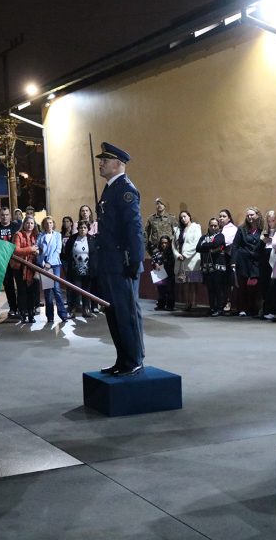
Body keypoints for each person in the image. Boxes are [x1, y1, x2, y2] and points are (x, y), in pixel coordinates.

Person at [94, 142, 146, 377]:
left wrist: (134, 261)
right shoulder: (110, 188)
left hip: (123, 264)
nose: (101, 163)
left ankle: (134, 359)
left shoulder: (125, 189)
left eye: (105, 160)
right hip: (109, 263)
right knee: (114, 314)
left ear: (117, 164)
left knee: (127, 313)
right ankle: (122, 358)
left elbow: (134, 228)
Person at [231, 207, 265, 317]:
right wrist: (233, 261)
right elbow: (235, 246)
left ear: (257, 215)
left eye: (252, 215)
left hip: (256, 261)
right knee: (242, 286)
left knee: (254, 286)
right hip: (243, 261)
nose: (249, 217)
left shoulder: (262, 230)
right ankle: (242, 309)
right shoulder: (242, 229)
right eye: (248, 215)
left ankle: (253, 308)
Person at [37, 216, 70, 323]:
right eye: (46, 223)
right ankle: (50, 316)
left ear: (53, 224)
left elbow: (58, 250)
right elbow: (37, 250)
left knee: (56, 288)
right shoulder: (40, 236)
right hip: (44, 265)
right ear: (43, 225)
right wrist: (42, 262)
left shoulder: (57, 235)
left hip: (55, 264)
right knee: (48, 291)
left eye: (50, 223)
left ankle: (63, 314)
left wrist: (49, 262)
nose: (49, 225)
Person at [64, 220, 96, 317]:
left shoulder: (91, 239)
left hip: (87, 269)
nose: (82, 229)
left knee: (86, 290)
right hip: (75, 269)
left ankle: (86, 309)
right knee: (76, 289)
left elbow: (94, 255)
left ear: (88, 229)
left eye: (85, 228)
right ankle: (73, 309)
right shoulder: (73, 239)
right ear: (77, 229)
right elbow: (67, 252)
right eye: (81, 227)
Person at [12, 216, 40, 324]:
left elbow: (40, 249)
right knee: (22, 291)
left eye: (32, 223)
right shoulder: (18, 235)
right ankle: (23, 313)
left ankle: (31, 313)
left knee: (32, 292)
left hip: (32, 267)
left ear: (34, 225)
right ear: (23, 224)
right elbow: (16, 250)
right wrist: (31, 249)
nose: (29, 225)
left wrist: (37, 251)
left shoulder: (36, 235)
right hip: (19, 267)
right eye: (27, 223)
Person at [196, 218, 227, 316]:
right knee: (210, 288)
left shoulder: (220, 236)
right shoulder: (204, 237)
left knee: (218, 288)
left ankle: (219, 308)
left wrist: (205, 246)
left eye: (215, 226)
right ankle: (212, 307)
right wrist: (210, 248)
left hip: (217, 266)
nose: (213, 227)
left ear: (218, 226)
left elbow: (217, 243)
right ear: (208, 226)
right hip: (207, 267)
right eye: (211, 225)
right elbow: (198, 248)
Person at [173, 210, 202, 311]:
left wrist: (186, 254)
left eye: (185, 216)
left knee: (193, 282)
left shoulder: (196, 227)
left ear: (189, 216)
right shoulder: (178, 230)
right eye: (181, 217)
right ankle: (186, 303)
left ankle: (193, 303)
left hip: (192, 259)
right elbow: (174, 245)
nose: (183, 219)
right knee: (184, 282)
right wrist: (177, 255)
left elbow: (196, 243)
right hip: (181, 260)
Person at [260, 210, 276, 319]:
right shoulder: (264, 232)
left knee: (274, 285)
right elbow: (260, 245)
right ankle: (266, 310)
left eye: (273, 220)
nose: (271, 223)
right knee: (265, 285)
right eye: (269, 221)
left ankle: (274, 310)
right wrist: (264, 239)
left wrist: (272, 240)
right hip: (265, 259)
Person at [218, 209, 237, 314]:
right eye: (220, 216)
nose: (221, 218)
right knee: (221, 281)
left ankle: (228, 302)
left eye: (224, 216)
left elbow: (226, 242)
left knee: (228, 282)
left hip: (228, 257)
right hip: (219, 258)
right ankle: (221, 302)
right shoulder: (218, 228)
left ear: (229, 218)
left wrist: (216, 243)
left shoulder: (232, 229)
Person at [152, 235, 176, 311]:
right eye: (162, 243)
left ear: (169, 243)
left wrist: (162, 265)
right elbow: (153, 260)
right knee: (160, 290)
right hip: (159, 274)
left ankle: (170, 306)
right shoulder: (157, 251)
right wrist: (155, 264)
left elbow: (171, 262)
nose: (164, 245)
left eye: (166, 243)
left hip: (169, 273)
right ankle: (161, 305)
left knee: (169, 290)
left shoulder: (171, 252)